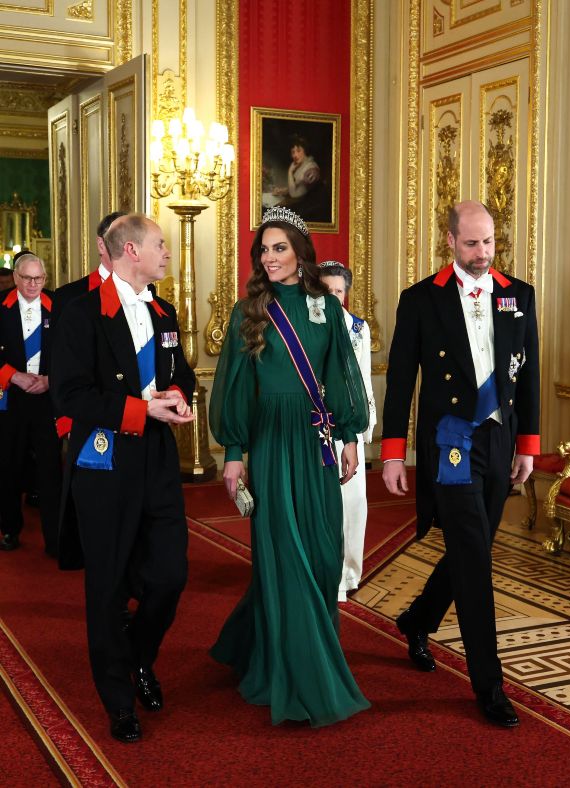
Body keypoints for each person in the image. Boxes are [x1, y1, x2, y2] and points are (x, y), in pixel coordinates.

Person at [209, 206, 371, 727]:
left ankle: (254, 639)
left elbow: (343, 371)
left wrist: (349, 436)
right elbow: (235, 385)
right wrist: (234, 453)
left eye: (279, 248)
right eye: (264, 249)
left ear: (301, 254)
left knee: (323, 554)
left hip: (318, 440)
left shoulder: (326, 306)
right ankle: (300, 670)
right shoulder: (248, 311)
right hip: (273, 441)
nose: (269, 257)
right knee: (286, 551)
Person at [381, 200, 540, 728]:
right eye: (471, 243)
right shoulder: (421, 300)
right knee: (473, 555)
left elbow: (529, 375)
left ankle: (418, 618)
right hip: (450, 439)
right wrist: (393, 452)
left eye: (489, 242)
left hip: (498, 438)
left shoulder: (519, 295)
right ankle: (489, 684)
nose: (482, 253)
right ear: (449, 240)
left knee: (474, 545)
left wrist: (528, 446)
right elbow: (401, 381)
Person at [51, 214, 195, 743]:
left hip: (157, 459)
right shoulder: (80, 314)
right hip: (105, 460)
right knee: (107, 587)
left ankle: (137, 656)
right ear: (130, 251)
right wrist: (140, 410)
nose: (167, 253)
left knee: (170, 576)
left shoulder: (165, 312)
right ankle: (118, 701)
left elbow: (181, 375)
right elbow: (70, 395)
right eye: (161, 245)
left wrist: (179, 399)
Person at [319, 261, 376, 601]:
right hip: (314, 424)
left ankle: (347, 574)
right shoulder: (306, 328)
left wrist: (364, 427)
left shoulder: (358, 328)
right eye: (327, 291)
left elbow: (364, 377)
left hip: (348, 427)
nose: (333, 297)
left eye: (339, 291)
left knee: (352, 502)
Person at [0, 254, 62, 555]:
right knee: (8, 466)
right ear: (15, 277)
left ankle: (55, 537)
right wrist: (13, 377)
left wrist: (51, 379)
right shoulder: (1, 306)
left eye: (38, 278)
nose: (32, 284)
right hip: (10, 399)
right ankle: (10, 528)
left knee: (51, 470)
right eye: (26, 278)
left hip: (47, 399)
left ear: (45, 278)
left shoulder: (59, 306)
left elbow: (72, 352)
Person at [51, 210, 126, 438]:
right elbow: (59, 364)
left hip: (136, 415)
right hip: (87, 416)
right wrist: (65, 420)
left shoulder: (149, 296)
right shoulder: (69, 297)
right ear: (102, 245)